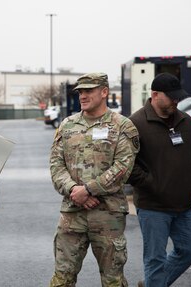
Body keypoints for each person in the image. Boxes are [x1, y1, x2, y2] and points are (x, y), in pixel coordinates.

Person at [49, 73, 140, 287]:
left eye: (89, 90)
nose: (83, 95)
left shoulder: (122, 126)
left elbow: (123, 168)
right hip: (72, 214)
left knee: (113, 281)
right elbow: (56, 166)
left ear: (104, 92)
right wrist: (75, 191)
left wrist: (88, 190)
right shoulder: (67, 125)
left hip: (108, 215)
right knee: (62, 279)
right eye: (80, 91)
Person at [128, 73, 191, 287]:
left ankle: (154, 284)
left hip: (184, 205)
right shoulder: (135, 123)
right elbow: (128, 165)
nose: (176, 101)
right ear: (154, 95)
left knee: (189, 251)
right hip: (153, 206)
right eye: (171, 97)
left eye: (177, 97)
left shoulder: (185, 120)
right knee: (155, 259)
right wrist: (153, 185)